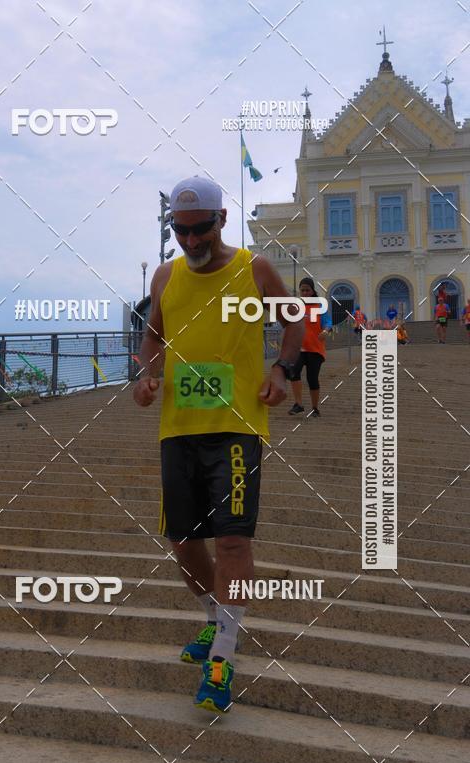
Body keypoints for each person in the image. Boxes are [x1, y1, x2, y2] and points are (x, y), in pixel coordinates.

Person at [132, 175, 304, 715]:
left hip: (237, 427)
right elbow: (153, 337)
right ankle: (214, 619)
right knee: (184, 545)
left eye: (199, 230)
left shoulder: (253, 268)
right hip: (178, 429)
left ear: (221, 221)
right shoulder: (166, 275)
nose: (190, 241)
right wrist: (147, 376)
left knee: (232, 543)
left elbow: (294, 320)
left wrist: (282, 369)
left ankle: (222, 660)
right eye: (180, 231)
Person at [288, 277, 332, 418]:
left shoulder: (319, 306)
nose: (305, 293)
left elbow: (327, 322)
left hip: (315, 348)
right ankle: (298, 404)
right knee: (294, 372)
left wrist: (325, 331)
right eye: (302, 290)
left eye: (307, 290)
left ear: (313, 291)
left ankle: (315, 408)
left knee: (312, 378)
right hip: (299, 347)